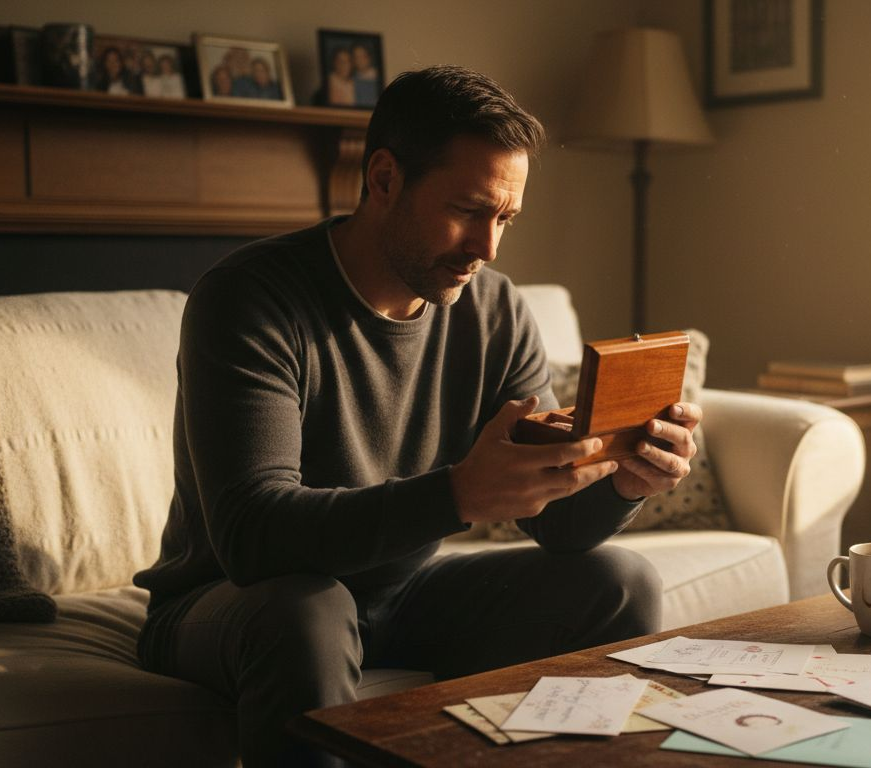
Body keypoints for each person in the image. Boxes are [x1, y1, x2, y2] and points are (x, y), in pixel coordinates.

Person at [133, 65, 693, 767]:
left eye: (504, 219)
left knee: (619, 581)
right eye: (467, 209)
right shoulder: (250, 300)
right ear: (385, 178)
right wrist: (457, 494)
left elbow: (557, 524)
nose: (486, 247)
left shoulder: (494, 311)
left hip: (400, 593)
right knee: (306, 611)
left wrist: (622, 484)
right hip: (233, 602)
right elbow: (253, 536)